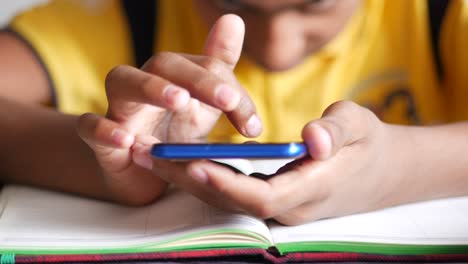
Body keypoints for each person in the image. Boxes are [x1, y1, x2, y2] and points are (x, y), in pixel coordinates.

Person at [0, 0, 467, 225]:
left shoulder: (439, 11)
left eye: (315, 4)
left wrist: (394, 168)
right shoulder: (124, 14)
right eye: (228, 4)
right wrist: (103, 159)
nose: (277, 51)